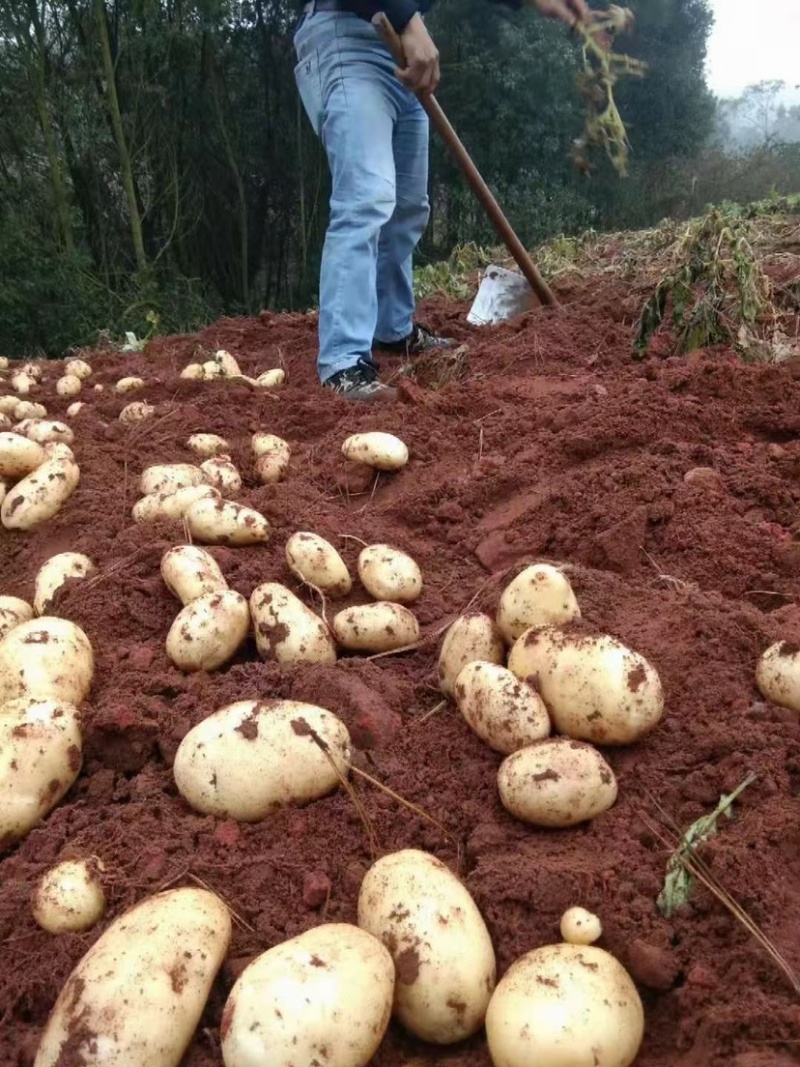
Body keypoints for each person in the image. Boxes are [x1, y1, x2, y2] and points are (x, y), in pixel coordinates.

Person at [293, 0, 589, 401]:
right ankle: (344, 364)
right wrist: (406, 18)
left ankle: (392, 329)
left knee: (409, 207)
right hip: (349, 33)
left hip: (397, 46)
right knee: (366, 199)